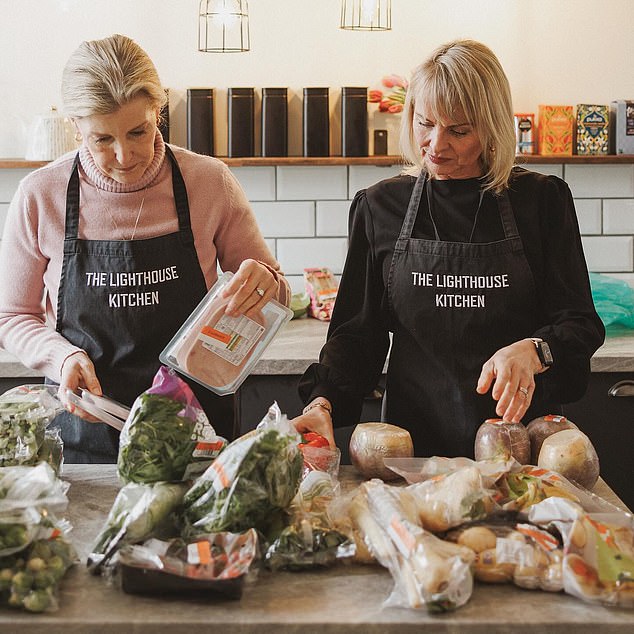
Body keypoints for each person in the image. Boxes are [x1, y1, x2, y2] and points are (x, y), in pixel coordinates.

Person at [293, 39, 605, 458]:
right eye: (425, 123)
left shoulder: (542, 202)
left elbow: (579, 322)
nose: (436, 144)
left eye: (459, 130)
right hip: (410, 452)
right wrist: (322, 402)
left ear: (492, 126)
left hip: (521, 448)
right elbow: (356, 334)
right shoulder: (380, 207)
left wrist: (535, 349)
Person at [0, 34, 290, 463]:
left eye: (138, 130)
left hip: (195, 433)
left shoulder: (208, 182)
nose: (124, 155)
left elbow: (277, 292)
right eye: (101, 139)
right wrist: (62, 358)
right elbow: (13, 317)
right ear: (75, 125)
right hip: (88, 429)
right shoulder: (40, 195)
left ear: (159, 109)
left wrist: (263, 286)